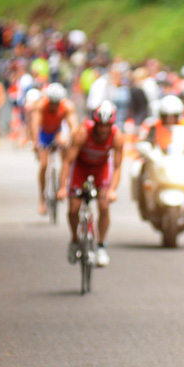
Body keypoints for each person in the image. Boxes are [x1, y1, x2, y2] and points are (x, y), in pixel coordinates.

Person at [56, 100, 123, 268]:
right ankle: (74, 240)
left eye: (107, 126)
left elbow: (117, 167)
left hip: (100, 169)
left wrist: (112, 190)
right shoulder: (82, 133)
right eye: (100, 125)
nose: (102, 130)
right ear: (95, 122)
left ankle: (101, 246)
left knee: (104, 205)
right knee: (73, 209)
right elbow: (68, 162)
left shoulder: (117, 137)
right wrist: (63, 188)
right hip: (81, 168)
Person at [31, 82, 78, 215]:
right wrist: (36, 143)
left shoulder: (67, 106)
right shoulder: (41, 105)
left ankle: (62, 185)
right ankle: (42, 199)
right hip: (44, 133)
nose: (54, 106)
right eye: (52, 103)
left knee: (65, 154)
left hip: (57, 131)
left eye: (56, 103)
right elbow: (35, 126)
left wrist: (70, 139)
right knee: (44, 164)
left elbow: (73, 126)